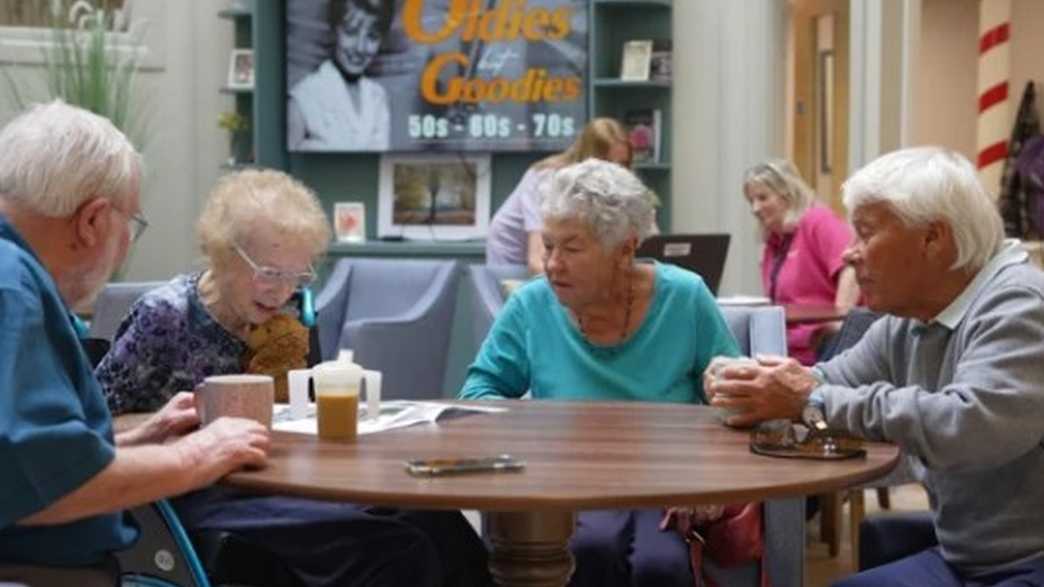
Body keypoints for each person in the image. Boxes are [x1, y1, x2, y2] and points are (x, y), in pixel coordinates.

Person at [96, 169, 492, 587]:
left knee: (434, 516)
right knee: (392, 546)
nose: (281, 292)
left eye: (297, 276)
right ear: (224, 254)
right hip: (196, 490)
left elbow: (303, 412)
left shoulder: (291, 314)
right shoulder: (167, 316)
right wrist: (182, 424)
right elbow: (94, 425)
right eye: (269, 273)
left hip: (281, 477)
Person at [709, 147, 1044, 586]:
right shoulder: (910, 320)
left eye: (865, 234)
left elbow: (968, 427)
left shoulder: (1020, 305)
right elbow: (825, 381)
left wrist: (807, 399)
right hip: (967, 559)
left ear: (933, 239)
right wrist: (745, 382)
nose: (849, 254)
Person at [0, 101, 269, 582]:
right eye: (132, 224)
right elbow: (43, 483)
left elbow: (34, 460)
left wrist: (139, 438)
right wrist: (198, 455)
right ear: (93, 221)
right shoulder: (11, 287)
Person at [461, 158, 742, 587]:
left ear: (626, 249)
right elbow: (478, 392)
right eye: (549, 245)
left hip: (664, 484)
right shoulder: (531, 305)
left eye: (571, 249)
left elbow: (732, 397)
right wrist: (533, 442)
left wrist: (706, 478)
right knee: (587, 551)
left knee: (659, 568)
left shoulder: (685, 297)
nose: (552, 264)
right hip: (567, 481)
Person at [742, 159, 860, 365]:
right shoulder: (773, 241)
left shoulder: (818, 221)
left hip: (822, 349)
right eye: (751, 201)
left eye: (762, 198)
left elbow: (851, 265)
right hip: (786, 347)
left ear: (788, 194)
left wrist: (840, 321)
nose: (755, 208)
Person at [486, 117, 636, 274]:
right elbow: (537, 260)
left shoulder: (613, 187)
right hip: (512, 263)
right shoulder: (548, 179)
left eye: (623, 165)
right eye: (608, 164)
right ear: (589, 158)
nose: (616, 173)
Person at [288, 0, 393, 151]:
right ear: (333, 30)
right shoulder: (301, 100)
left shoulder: (377, 97)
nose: (360, 48)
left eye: (372, 36)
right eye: (351, 32)